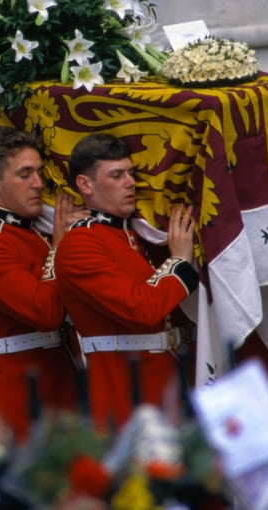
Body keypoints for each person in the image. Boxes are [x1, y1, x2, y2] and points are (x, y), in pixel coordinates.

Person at [53, 132, 199, 430]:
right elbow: (142, 308)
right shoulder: (81, 243)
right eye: (117, 175)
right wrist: (179, 263)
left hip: (172, 379)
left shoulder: (135, 233)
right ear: (85, 184)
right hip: (125, 388)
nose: (131, 182)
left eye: (131, 173)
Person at [0, 127, 84, 443]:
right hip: (14, 396)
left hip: (62, 384)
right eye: (25, 174)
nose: (39, 184)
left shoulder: (36, 234)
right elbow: (45, 312)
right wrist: (59, 247)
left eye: (39, 173)